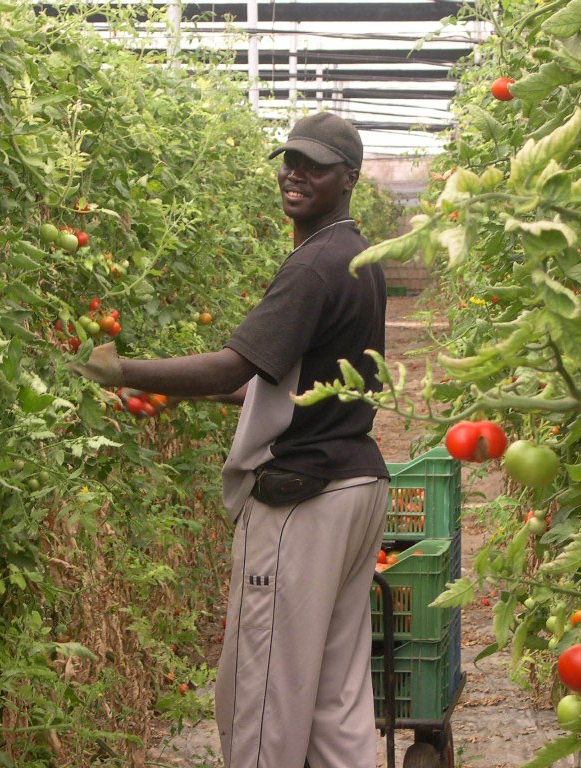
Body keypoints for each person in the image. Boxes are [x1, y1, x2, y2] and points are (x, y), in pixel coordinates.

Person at [72, 111, 389, 768]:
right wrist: (177, 390)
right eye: (291, 159)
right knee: (335, 701)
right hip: (358, 485)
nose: (296, 174)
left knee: (263, 700)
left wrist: (115, 369)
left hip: (302, 503)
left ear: (349, 178)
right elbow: (291, 382)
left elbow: (231, 365)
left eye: (316, 165)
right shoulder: (360, 257)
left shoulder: (313, 265)